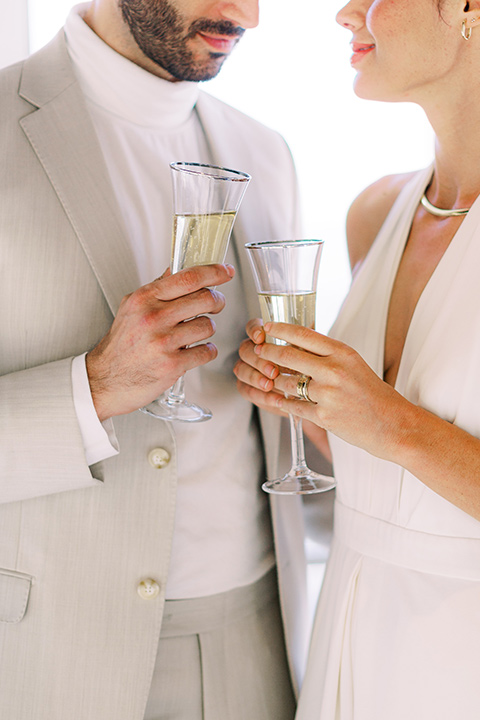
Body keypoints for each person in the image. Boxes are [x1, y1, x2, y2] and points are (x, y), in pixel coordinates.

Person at [0, 1, 315, 718]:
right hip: (46, 658)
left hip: (253, 649)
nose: (248, 16)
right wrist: (95, 387)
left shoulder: (265, 152)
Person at [234, 0, 480, 718]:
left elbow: (395, 433)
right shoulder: (375, 213)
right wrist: (313, 408)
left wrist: (385, 420)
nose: (345, 14)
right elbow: (382, 473)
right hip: (354, 619)